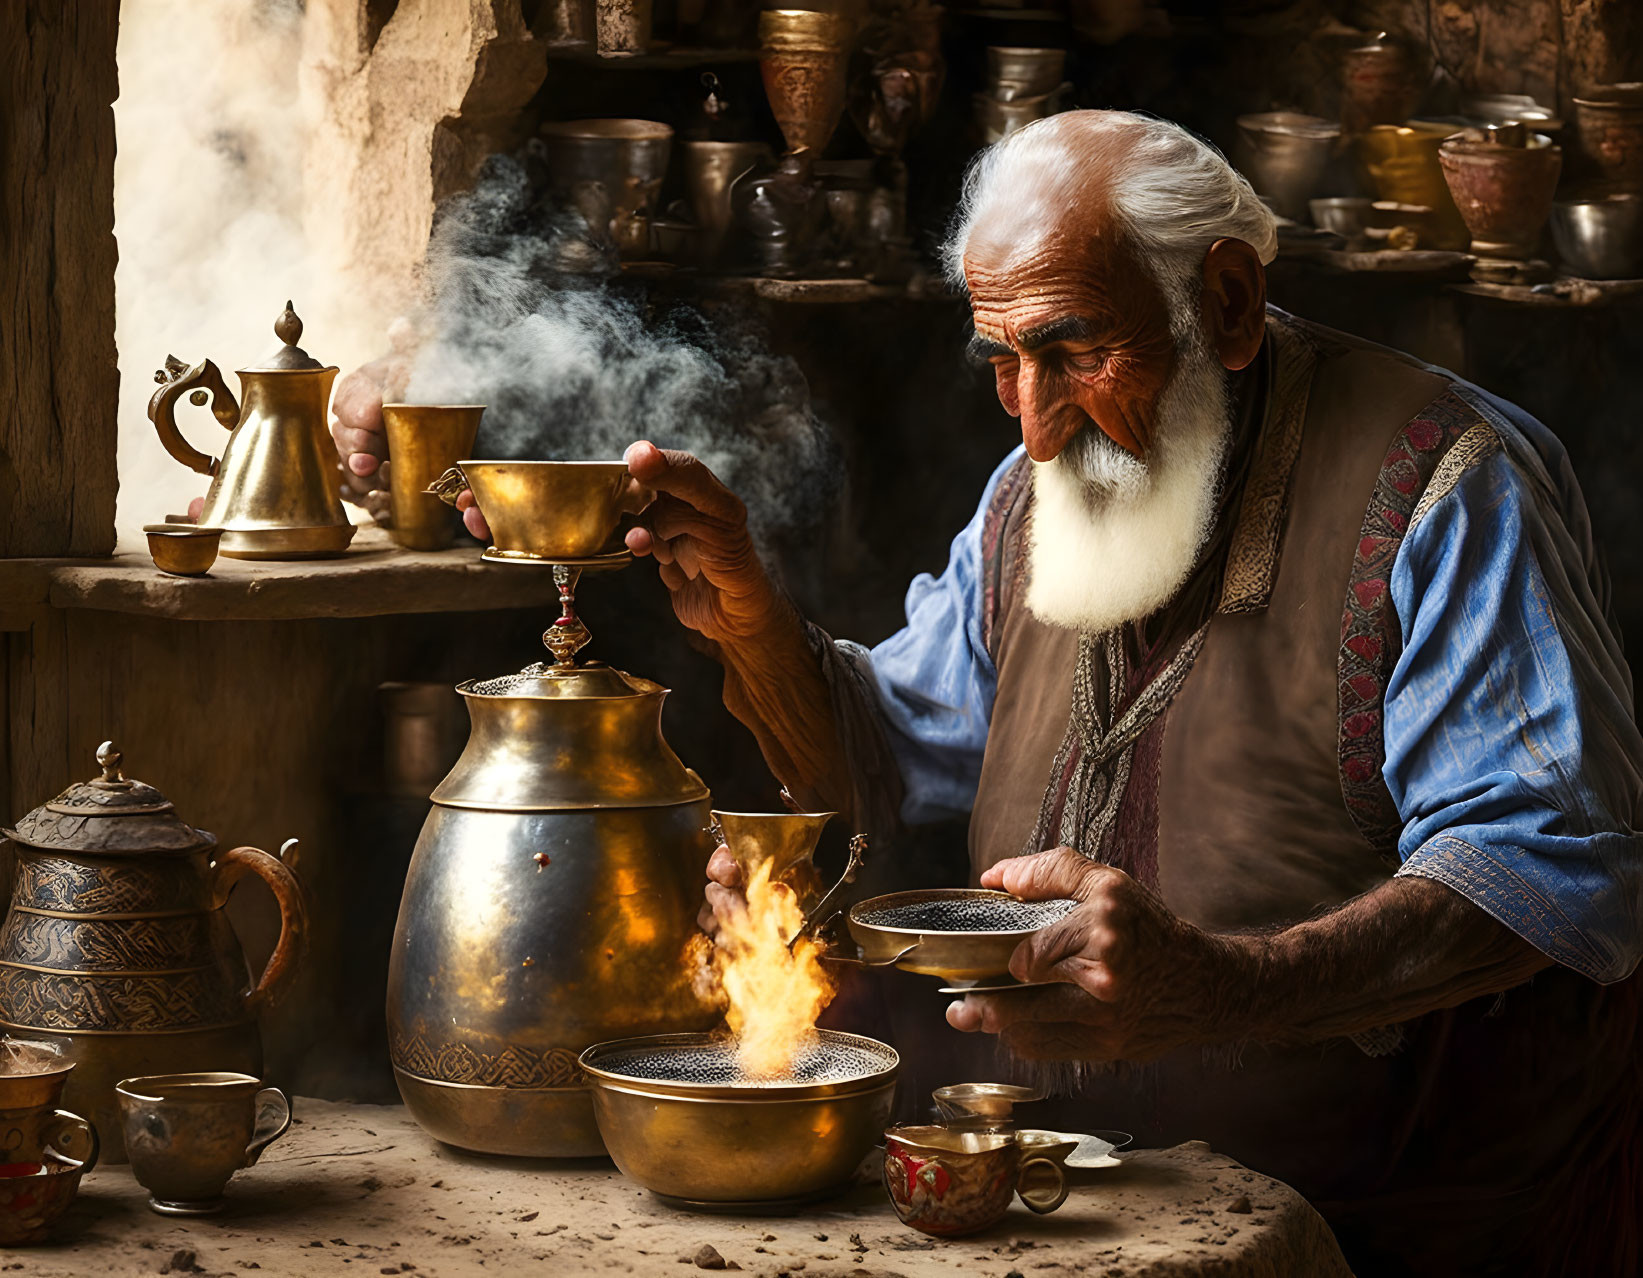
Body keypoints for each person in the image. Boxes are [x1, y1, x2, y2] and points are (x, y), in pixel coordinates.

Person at [335, 111, 1643, 1275]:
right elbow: (885, 759)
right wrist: (754, 624)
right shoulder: (1027, 501)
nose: (1032, 420)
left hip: (1378, 1224)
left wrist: (1230, 987)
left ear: (1229, 305)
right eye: (1001, 359)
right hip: (1061, 1212)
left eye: (1074, 350)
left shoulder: (1446, 483)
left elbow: (1551, 872)